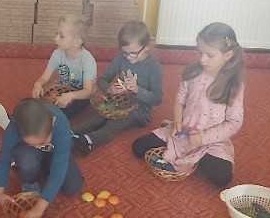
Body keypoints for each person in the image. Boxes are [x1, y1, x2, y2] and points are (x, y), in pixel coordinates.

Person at [132, 22, 244, 188]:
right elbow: (180, 100)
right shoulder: (192, 74)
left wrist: (203, 138)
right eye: (200, 53)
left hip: (211, 142)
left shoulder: (234, 85)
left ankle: (194, 158)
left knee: (222, 177)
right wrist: (177, 122)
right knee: (138, 147)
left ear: (228, 55)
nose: (202, 59)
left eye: (210, 55)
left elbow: (234, 123)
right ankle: (181, 147)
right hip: (183, 133)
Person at [71, 21, 162, 155]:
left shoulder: (153, 66)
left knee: (115, 122)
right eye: (125, 53)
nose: (128, 57)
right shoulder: (121, 58)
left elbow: (157, 98)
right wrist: (109, 89)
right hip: (120, 101)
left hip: (140, 110)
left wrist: (137, 90)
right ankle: (72, 131)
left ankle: (89, 140)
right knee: (100, 116)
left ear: (147, 47)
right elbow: (102, 80)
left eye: (133, 53)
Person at [0, 98, 83, 218]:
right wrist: (0, 193)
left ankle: (39, 165)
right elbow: (3, 159)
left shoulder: (60, 124)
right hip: (27, 153)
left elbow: (60, 167)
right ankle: (29, 174)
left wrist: (41, 206)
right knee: (27, 159)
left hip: (53, 151)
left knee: (73, 186)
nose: (37, 147)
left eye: (42, 142)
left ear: (52, 122)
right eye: (32, 143)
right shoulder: (12, 129)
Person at [32, 14, 96, 118]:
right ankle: (17, 118)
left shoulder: (87, 60)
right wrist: (38, 84)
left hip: (80, 95)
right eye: (56, 34)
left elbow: (88, 91)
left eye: (61, 36)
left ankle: (46, 119)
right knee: (38, 101)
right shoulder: (57, 54)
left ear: (76, 42)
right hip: (63, 89)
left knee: (60, 109)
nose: (56, 38)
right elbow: (44, 78)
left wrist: (71, 95)